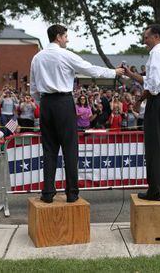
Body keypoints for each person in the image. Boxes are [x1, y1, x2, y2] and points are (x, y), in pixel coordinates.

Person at [30, 24, 124, 203]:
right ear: (58, 36)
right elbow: (90, 69)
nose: (67, 39)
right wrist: (113, 72)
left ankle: (48, 192)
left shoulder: (37, 57)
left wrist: (43, 102)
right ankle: (72, 193)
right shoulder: (66, 55)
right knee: (70, 148)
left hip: (46, 103)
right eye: (65, 36)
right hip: (63, 102)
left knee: (49, 149)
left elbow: (33, 88)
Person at [124, 24, 160, 201]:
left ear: (156, 36)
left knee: (153, 147)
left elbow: (153, 85)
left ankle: (154, 190)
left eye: (146, 37)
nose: (144, 40)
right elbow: (150, 80)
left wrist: (139, 100)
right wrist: (131, 75)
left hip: (158, 101)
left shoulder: (155, 53)